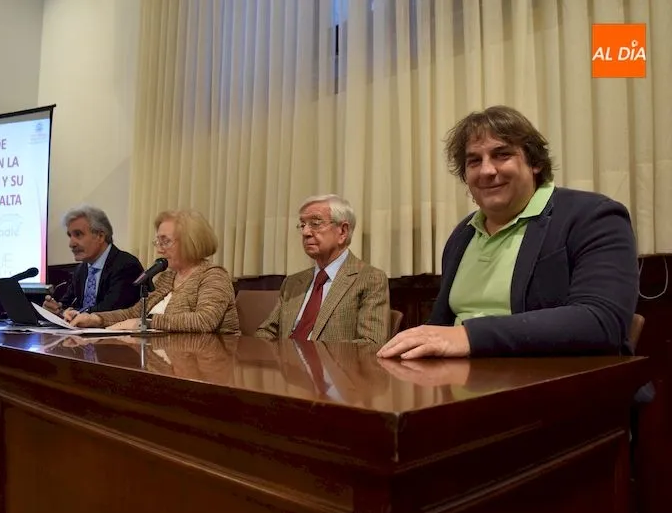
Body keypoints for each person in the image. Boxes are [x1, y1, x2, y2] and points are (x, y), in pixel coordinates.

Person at [378, 105, 639, 359]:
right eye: (474, 161)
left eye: (502, 155)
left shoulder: (593, 216)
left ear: (534, 163)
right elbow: (440, 326)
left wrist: (469, 336)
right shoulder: (463, 234)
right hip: (456, 388)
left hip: (552, 389)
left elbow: (601, 321)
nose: (487, 170)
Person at [68, 209, 240, 335]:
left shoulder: (213, 276)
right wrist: (95, 318)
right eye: (158, 242)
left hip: (207, 365)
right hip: (167, 360)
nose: (159, 250)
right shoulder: (167, 277)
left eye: (165, 242)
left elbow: (204, 321)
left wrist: (144, 323)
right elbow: (134, 313)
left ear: (190, 241)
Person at [255, 194, 390, 344]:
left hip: (331, 366)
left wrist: (309, 355)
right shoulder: (293, 283)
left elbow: (370, 343)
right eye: (303, 225)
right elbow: (267, 331)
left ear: (343, 231)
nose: (306, 232)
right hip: (285, 364)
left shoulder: (369, 279)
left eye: (315, 223)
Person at [43, 205, 143, 319]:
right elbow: (66, 304)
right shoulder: (81, 270)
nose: (71, 244)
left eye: (78, 234)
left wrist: (72, 313)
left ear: (100, 236)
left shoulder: (126, 266)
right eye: (70, 235)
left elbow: (111, 310)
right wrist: (56, 309)